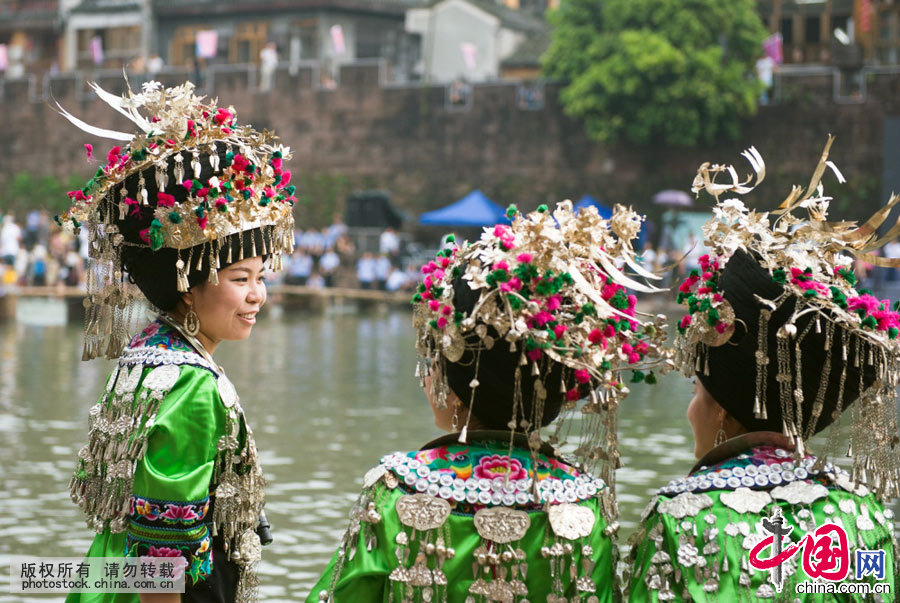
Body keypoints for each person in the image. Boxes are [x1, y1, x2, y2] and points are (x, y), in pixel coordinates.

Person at [309, 201, 670, 602]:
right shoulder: (584, 501)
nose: (427, 375)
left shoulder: (397, 489)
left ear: (457, 378)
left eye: (433, 359)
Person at [626, 143, 898, 600]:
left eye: (696, 391)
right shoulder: (863, 516)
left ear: (723, 411)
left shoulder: (681, 515)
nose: (690, 411)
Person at [61, 80, 295, 603]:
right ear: (188, 286)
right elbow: (162, 550)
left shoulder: (151, 349)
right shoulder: (191, 382)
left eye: (261, 277)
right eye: (239, 278)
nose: (257, 295)